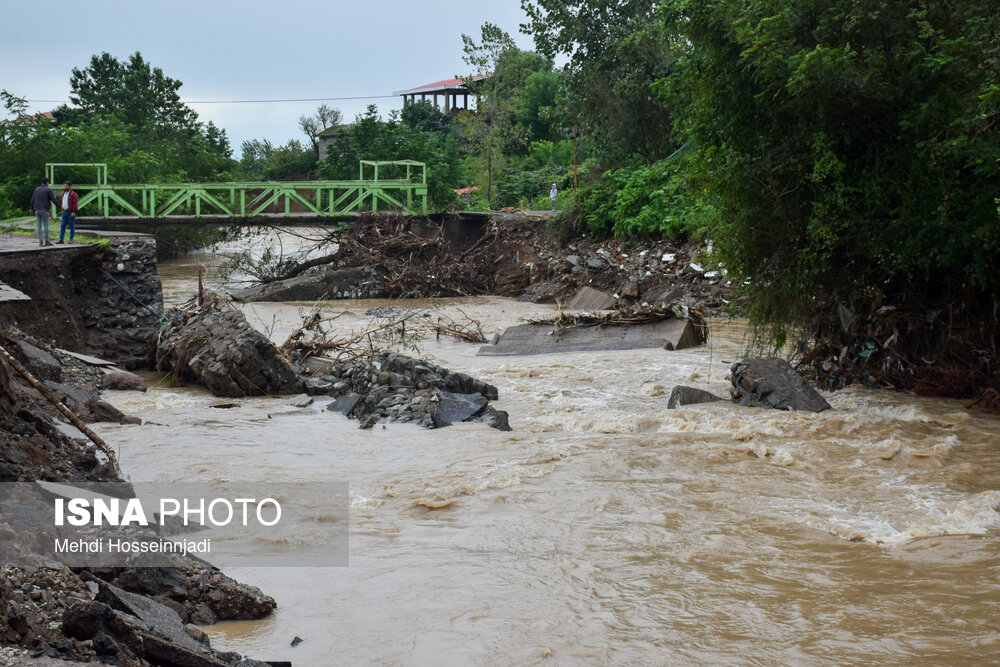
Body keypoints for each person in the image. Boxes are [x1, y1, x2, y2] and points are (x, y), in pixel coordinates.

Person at [28, 177, 59, 246]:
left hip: (37, 209)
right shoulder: (49, 190)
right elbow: (53, 199)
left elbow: (32, 199)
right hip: (45, 210)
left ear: (41, 182)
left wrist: (31, 208)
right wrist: (59, 206)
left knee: (39, 226)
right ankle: (47, 241)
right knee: (46, 226)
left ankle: (40, 241)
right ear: (47, 183)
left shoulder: (37, 189)